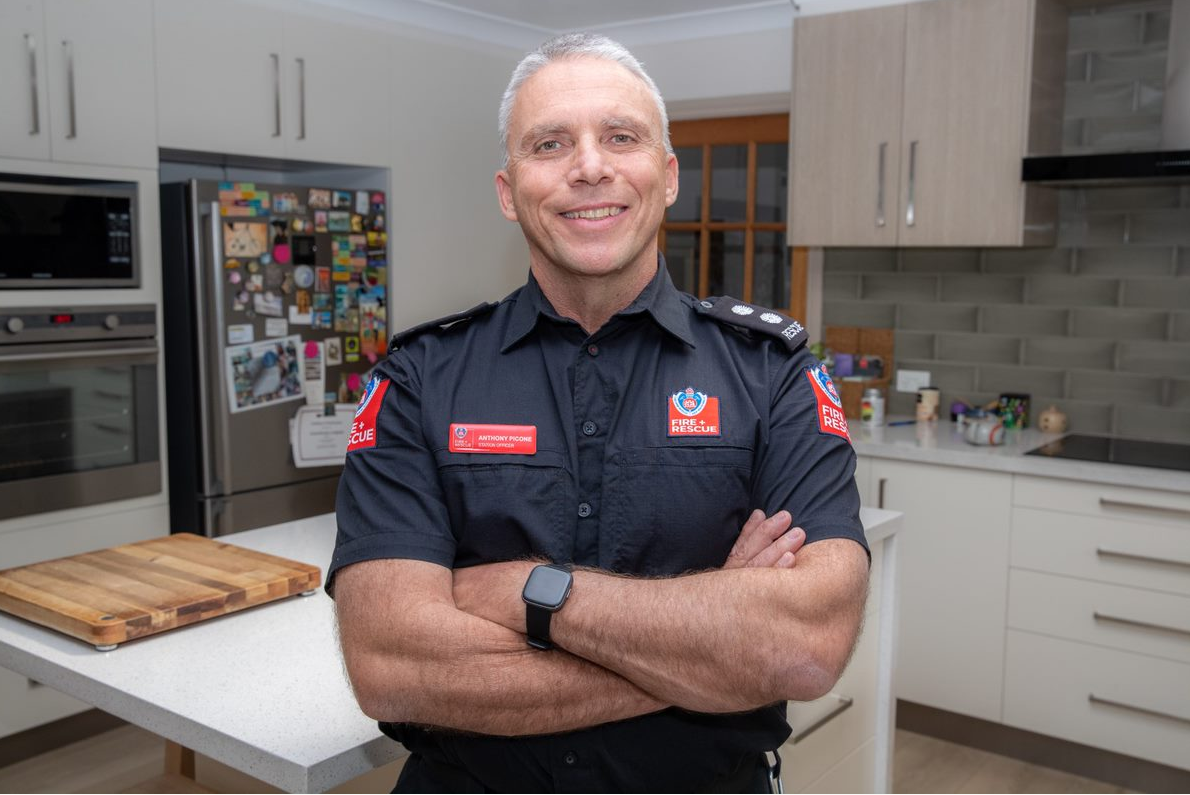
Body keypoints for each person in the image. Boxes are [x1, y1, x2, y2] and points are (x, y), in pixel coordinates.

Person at [329, 32, 869, 793]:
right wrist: (710, 659)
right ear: (509, 190)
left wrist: (522, 590)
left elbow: (807, 642)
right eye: (550, 144)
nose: (590, 166)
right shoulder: (418, 379)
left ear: (668, 175)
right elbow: (392, 664)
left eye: (622, 137)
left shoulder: (774, 376)